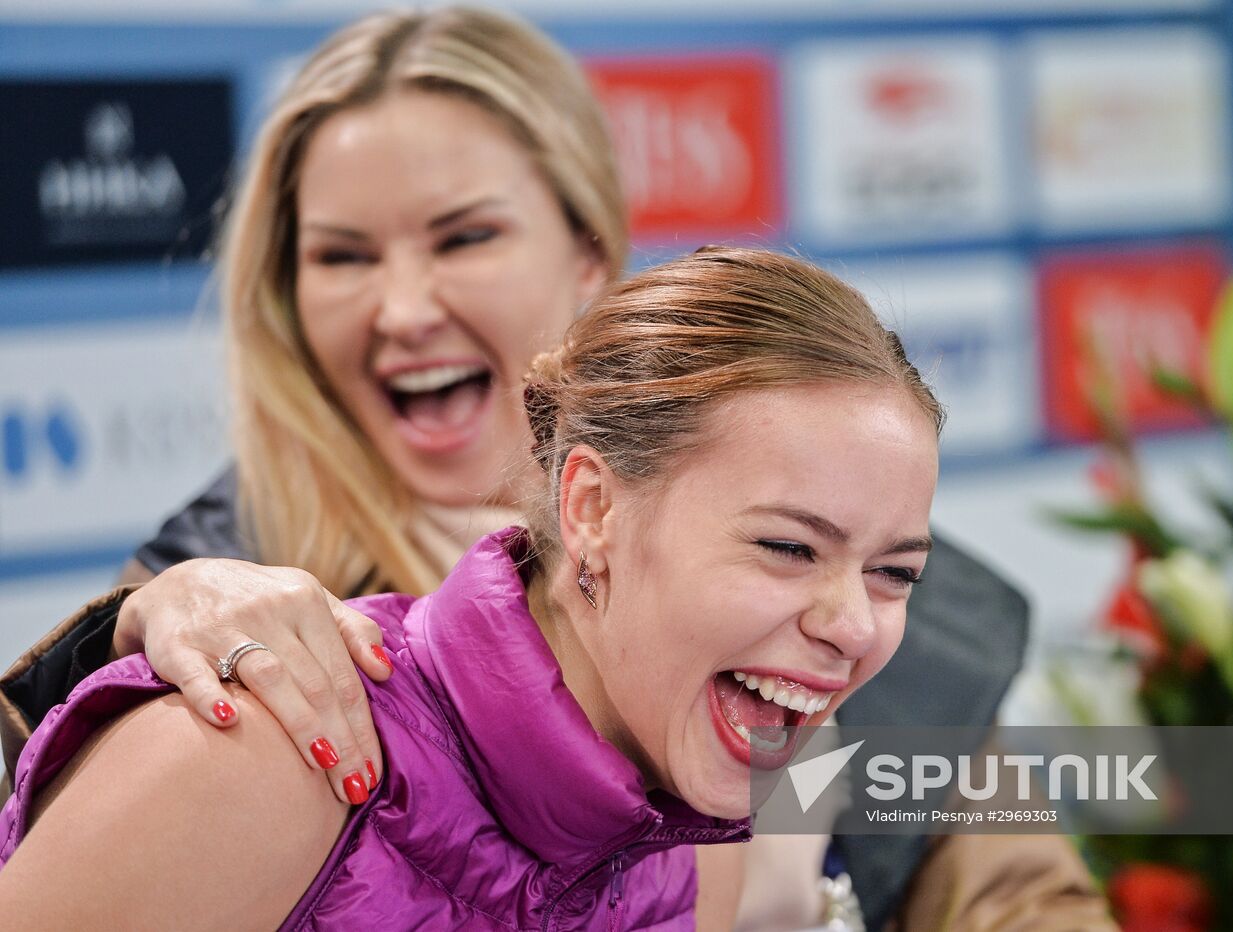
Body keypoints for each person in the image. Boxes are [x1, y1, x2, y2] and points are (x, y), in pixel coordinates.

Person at [0, 7, 1109, 928]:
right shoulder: (220, 620)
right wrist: (127, 633)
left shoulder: (842, 588)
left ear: (586, 249)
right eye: (341, 255)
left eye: (462, 236)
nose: (401, 307)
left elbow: (1016, 895)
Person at [0, 246, 943, 930]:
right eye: (786, 547)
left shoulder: (697, 848)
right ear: (592, 509)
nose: (852, 624)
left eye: (896, 572)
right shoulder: (252, 757)